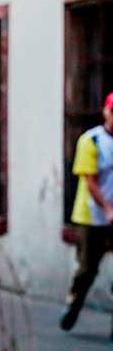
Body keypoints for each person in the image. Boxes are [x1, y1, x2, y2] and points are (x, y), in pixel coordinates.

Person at [61, 91, 113, 337]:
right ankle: (74, 301)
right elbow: (90, 181)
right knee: (87, 268)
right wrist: (107, 208)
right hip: (92, 215)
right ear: (106, 112)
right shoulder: (91, 140)